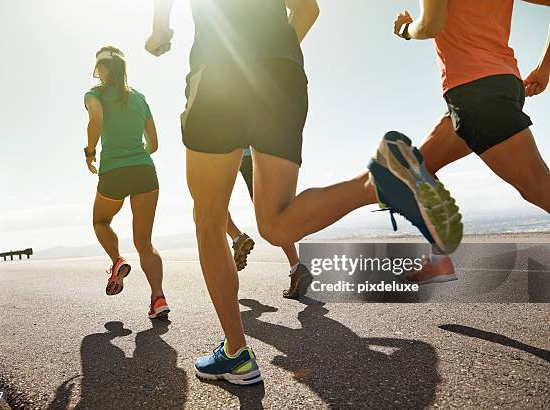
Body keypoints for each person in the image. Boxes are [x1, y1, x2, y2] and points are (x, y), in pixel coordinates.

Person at [146, 0, 461, 385]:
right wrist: (271, 57)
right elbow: (308, 10)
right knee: (277, 224)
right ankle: (380, 182)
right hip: (283, 74)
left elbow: (162, 30)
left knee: (208, 220)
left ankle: (236, 353)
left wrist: (160, 28)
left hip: (220, 73)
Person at [392, 0, 550, 284]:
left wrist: (405, 28)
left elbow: (430, 26)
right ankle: (439, 261)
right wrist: (543, 69)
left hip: (475, 90)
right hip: (497, 83)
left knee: (539, 188)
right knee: (417, 169)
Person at [84, 46, 170, 319]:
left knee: (101, 221)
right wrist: (137, 152)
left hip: (114, 172)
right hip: (145, 171)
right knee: (145, 242)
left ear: (103, 69)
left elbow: (96, 119)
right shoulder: (140, 98)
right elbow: (154, 144)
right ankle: (158, 299)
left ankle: (117, 260)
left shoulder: (94, 94)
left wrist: (90, 152)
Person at [227, 147, 312, 299]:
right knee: (271, 211)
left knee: (208, 205)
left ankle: (236, 237)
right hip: (251, 150)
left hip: (222, 149)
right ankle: (296, 266)